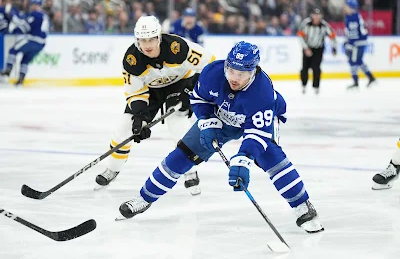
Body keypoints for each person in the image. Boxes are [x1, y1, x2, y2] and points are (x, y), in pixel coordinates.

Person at [117, 41, 324, 233]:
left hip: (254, 122)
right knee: (181, 155)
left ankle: (302, 205)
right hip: (221, 118)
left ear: (253, 72)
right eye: (231, 70)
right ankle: (143, 198)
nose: (234, 78)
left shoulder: (262, 93)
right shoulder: (213, 72)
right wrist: (206, 121)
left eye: (242, 74)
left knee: (271, 159)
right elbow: (198, 99)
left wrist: (243, 159)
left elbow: (257, 134)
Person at [95, 15, 215, 196]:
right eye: (143, 40)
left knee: (178, 126)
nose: (147, 44)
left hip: (181, 85)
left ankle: (190, 170)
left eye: (151, 39)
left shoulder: (178, 47)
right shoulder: (132, 60)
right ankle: (112, 168)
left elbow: (211, 65)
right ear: (137, 40)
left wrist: (191, 90)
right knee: (125, 128)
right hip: (150, 92)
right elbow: (135, 92)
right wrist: (139, 118)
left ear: (159, 37)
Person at [0, 0, 49, 86]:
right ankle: (21, 79)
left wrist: (14, 25)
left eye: (34, 5)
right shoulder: (44, 15)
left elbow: (25, 27)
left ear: (37, 6)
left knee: (13, 50)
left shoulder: (35, 14)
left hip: (33, 40)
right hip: (41, 44)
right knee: (25, 59)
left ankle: (8, 71)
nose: (32, 6)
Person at [297, 8, 337, 95]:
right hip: (307, 47)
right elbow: (300, 35)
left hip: (318, 49)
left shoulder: (324, 25)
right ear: (312, 15)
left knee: (316, 68)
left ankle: (316, 86)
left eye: (318, 15)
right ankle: (304, 85)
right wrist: (305, 48)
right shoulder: (306, 23)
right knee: (305, 68)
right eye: (315, 15)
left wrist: (334, 47)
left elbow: (332, 35)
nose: (316, 17)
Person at [344, 0, 376, 89]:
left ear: (351, 7)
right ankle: (370, 77)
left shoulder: (356, 17)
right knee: (358, 61)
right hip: (354, 43)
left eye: (347, 6)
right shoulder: (348, 17)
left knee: (353, 61)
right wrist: (347, 41)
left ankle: (356, 82)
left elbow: (362, 31)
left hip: (357, 43)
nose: (345, 7)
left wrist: (352, 42)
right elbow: (348, 32)